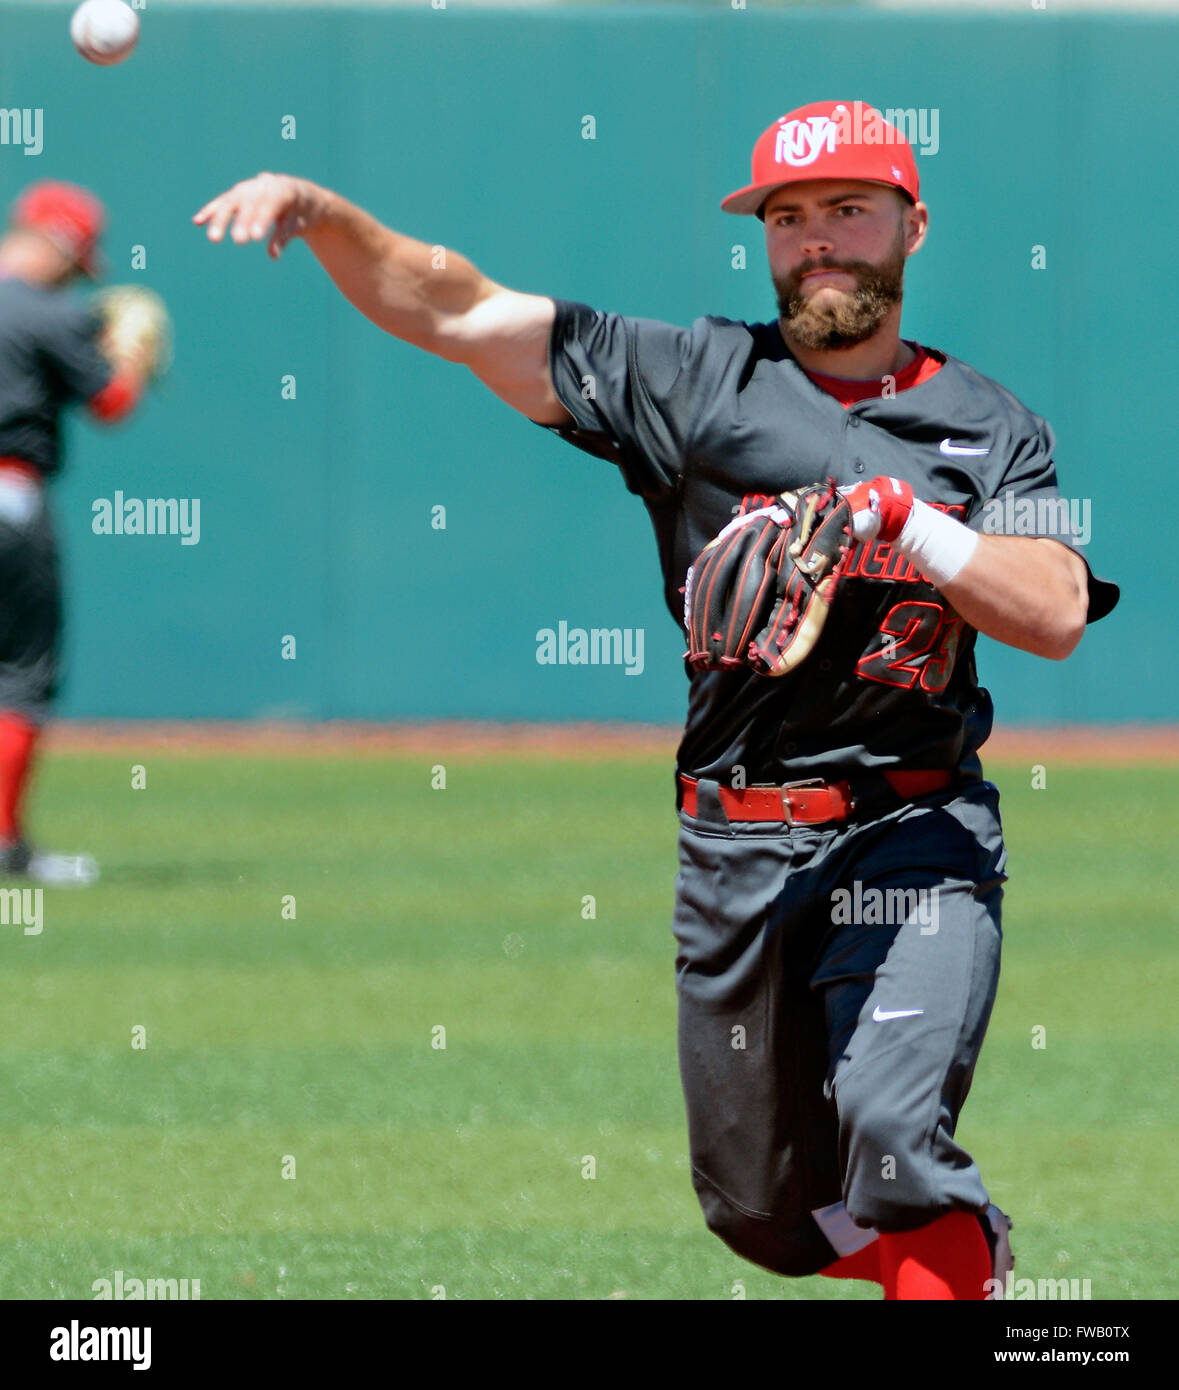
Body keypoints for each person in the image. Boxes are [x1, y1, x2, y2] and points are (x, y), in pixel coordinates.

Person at [193, 100, 1117, 1300]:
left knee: (895, 1145)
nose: (819, 239)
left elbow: (1048, 611)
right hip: (734, 848)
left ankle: (956, 1259)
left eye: (849, 209)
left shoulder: (994, 429)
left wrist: (911, 523)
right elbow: (458, 307)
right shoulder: (691, 377)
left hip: (913, 831)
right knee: (767, 1219)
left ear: (912, 226)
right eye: (790, 218)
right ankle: (944, 1255)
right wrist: (323, 215)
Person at [0, 180, 154, 884]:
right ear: (60, 242)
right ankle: (3, 845)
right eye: (79, 257)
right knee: (23, 672)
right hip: (12, 497)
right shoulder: (51, 314)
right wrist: (134, 355)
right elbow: (113, 403)